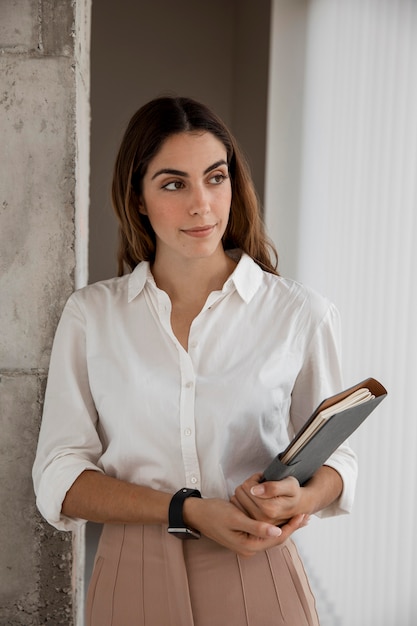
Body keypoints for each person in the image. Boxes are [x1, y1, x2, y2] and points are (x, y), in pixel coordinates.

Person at [33, 96, 357, 626]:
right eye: (173, 183)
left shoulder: (300, 313)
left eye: (215, 177)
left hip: (259, 570)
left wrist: (298, 499)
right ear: (137, 198)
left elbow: (339, 460)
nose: (202, 204)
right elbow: (59, 474)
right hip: (129, 574)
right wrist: (184, 510)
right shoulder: (93, 315)